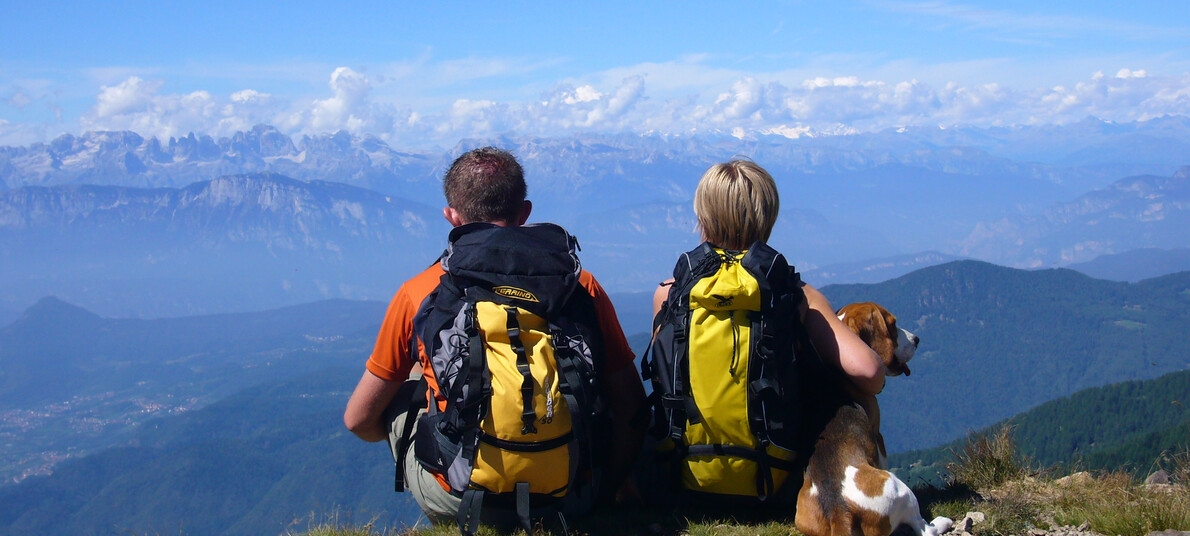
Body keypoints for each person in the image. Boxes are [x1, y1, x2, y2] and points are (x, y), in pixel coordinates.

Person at [344, 146, 645, 526]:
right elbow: (632, 405)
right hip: (568, 496)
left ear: (451, 217)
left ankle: (455, 500)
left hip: (462, 500)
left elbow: (358, 419)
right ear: (525, 213)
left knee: (411, 381)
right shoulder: (580, 286)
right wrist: (605, 489)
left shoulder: (420, 292)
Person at [646, 159, 886, 499]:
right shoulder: (794, 295)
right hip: (775, 481)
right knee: (858, 394)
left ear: (703, 219)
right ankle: (847, 492)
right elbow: (870, 372)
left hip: (685, 481)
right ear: (767, 219)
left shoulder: (669, 294)